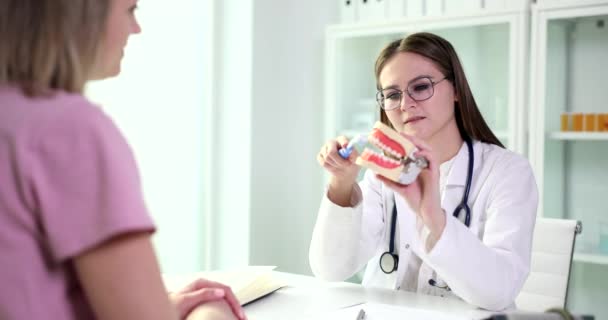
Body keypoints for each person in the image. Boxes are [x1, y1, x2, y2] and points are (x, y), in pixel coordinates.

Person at [0, 1, 245, 319]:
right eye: (130, 10)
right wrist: (211, 311)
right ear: (82, 16)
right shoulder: (69, 131)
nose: (136, 28)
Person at [310, 32, 538, 311]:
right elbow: (330, 269)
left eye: (420, 87)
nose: (405, 104)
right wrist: (341, 185)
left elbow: (500, 292)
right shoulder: (381, 175)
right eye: (392, 94)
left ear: (456, 90)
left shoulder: (507, 172)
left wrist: (434, 219)